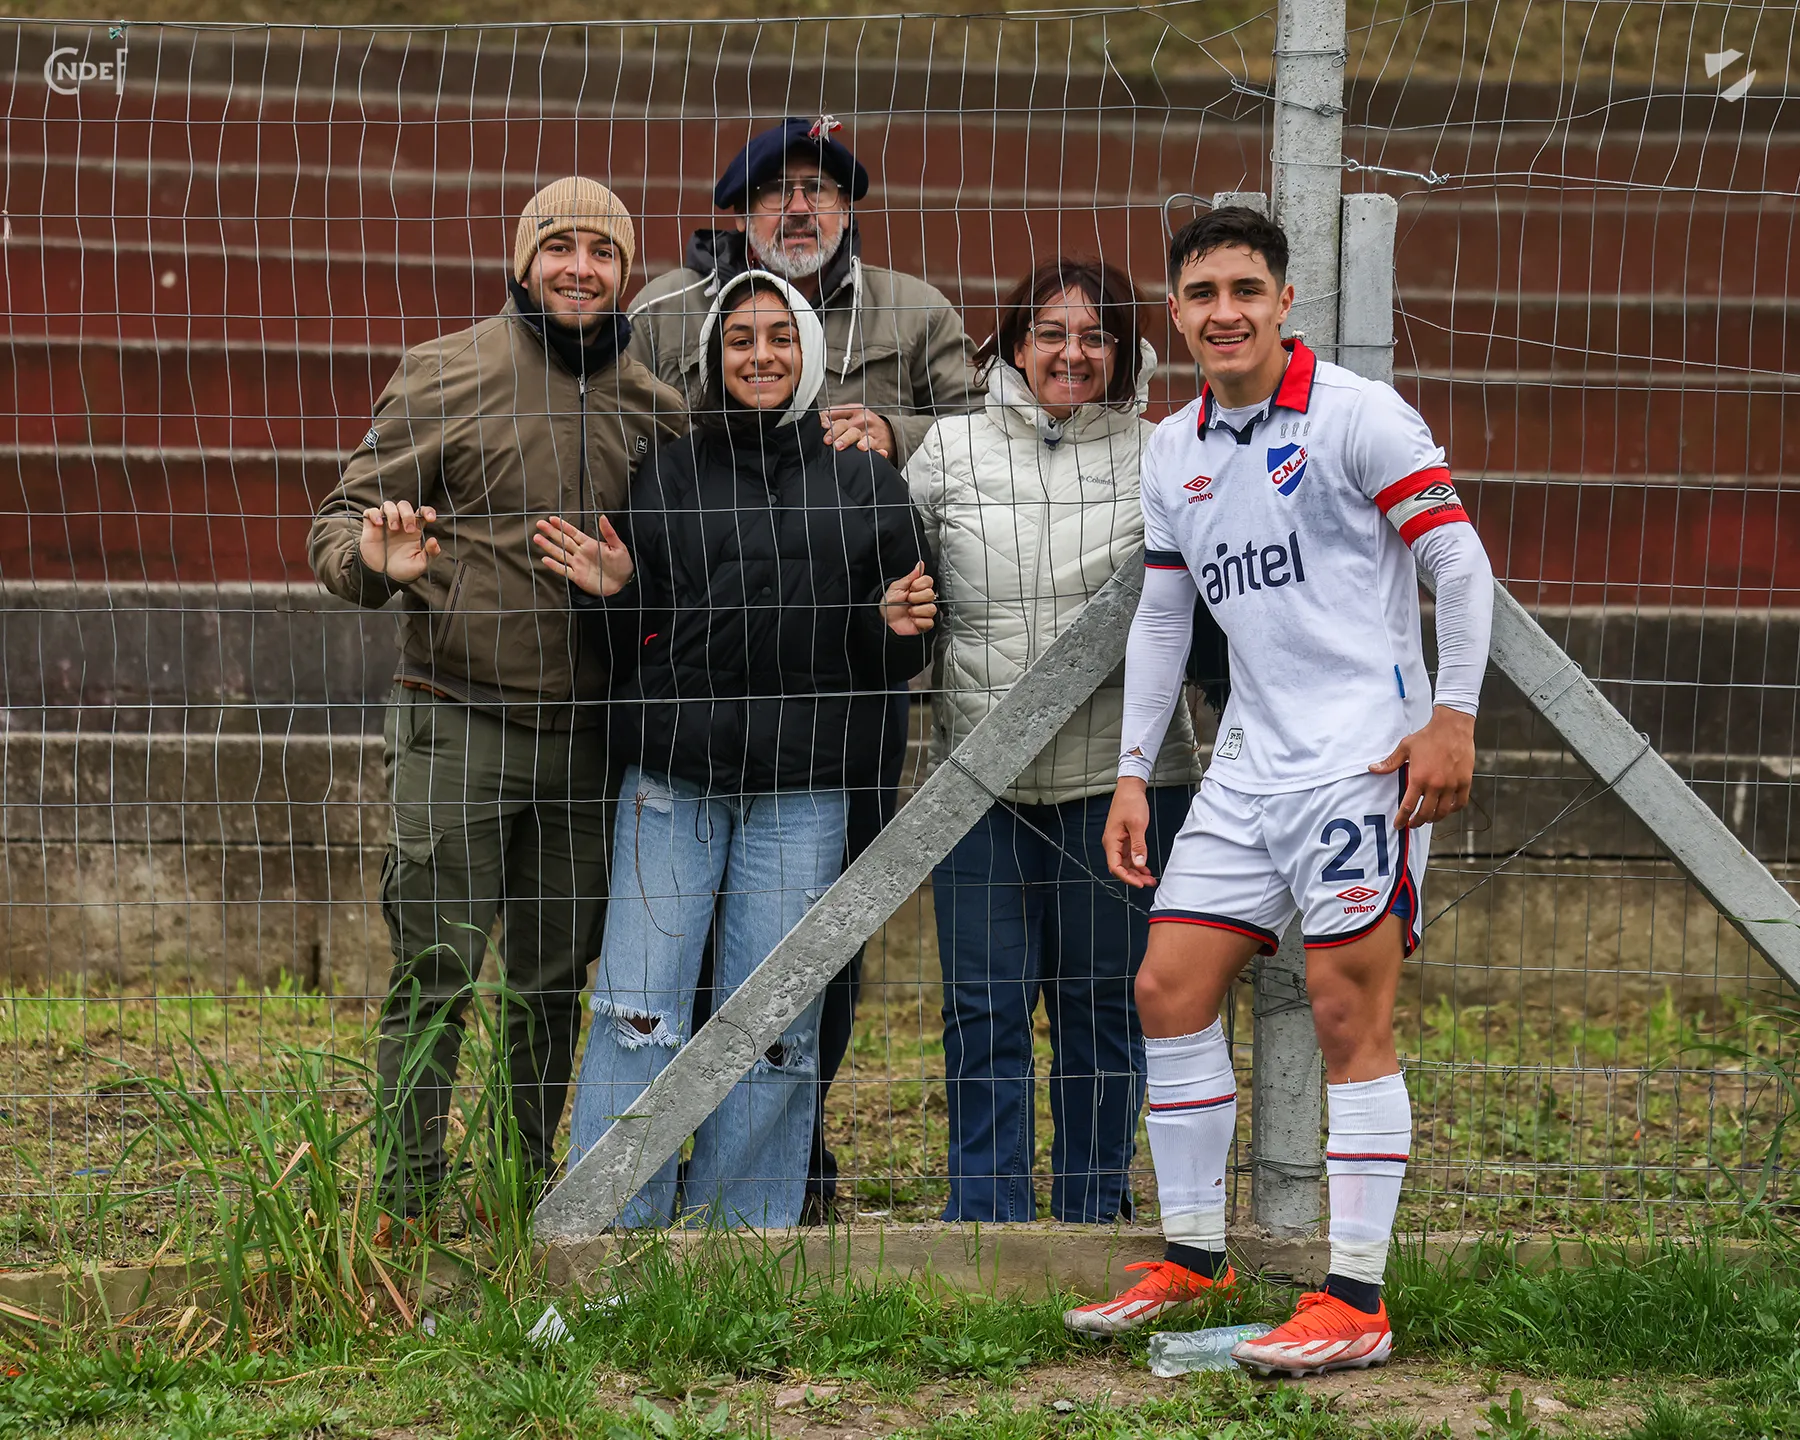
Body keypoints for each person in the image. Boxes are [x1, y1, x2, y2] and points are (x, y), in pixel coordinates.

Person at [1062, 207, 1493, 1376]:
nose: (1226, 312)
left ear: (1285, 301)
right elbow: (1164, 615)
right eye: (1203, 293)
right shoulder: (1174, 449)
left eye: (1246, 289)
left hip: (1364, 764)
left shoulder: (1356, 415)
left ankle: (1356, 1301)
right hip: (1248, 771)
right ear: (1175, 313)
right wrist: (1133, 772)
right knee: (1166, 988)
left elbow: (1457, 560)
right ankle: (1195, 1263)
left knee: (1349, 1016)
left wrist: (1452, 717)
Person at [307, 179, 683, 1235]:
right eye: (559, 247)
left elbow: (679, 570)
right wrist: (373, 562)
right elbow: (338, 521)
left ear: (626, 273)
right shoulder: (447, 371)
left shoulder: (657, 408)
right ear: (524, 262)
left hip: (587, 741)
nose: (579, 268)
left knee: (552, 983)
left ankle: (521, 1195)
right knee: (437, 970)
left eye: (602, 251)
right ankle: (408, 1203)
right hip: (456, 717)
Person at [630, 115, 984, 1217]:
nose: (800, 208)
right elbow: (631, 438)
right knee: (682, 946)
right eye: (776, 191)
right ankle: (664, 1156)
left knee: (811, 943)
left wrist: (895, 434)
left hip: (846, 688)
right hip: (703, 687)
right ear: (741, 212)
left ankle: (790, 1157)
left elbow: (985, 432)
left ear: (847, 210)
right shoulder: (664, 313)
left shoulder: (915, 313)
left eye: (821, 191)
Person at [547, 269, 937, 1227]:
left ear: (810, 351)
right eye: (739, 340)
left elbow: (898, 640)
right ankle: (610, 1221)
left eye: (779, 337)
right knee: (639, 1011)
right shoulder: (672, 473)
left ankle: (741, 1234)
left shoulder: (865, 481)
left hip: (804, 791)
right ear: (715, 359)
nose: (760, 356)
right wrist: (618, 592)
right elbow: (640, 639)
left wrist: (891, 625)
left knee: (776, 1022)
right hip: (675, 780)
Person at [905, 258, 1200, 1224]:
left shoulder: (1163, 456)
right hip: (978, 788)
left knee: (1104, 1005)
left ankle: (1091, 1213)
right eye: (1051, 333)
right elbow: (896, 585)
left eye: (1096, 336)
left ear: (1125, 351)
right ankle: (985, 1221)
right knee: (982, 1007)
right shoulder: (948, 452)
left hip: (1120, 785)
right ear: (1014, 344)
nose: (1072, 353)